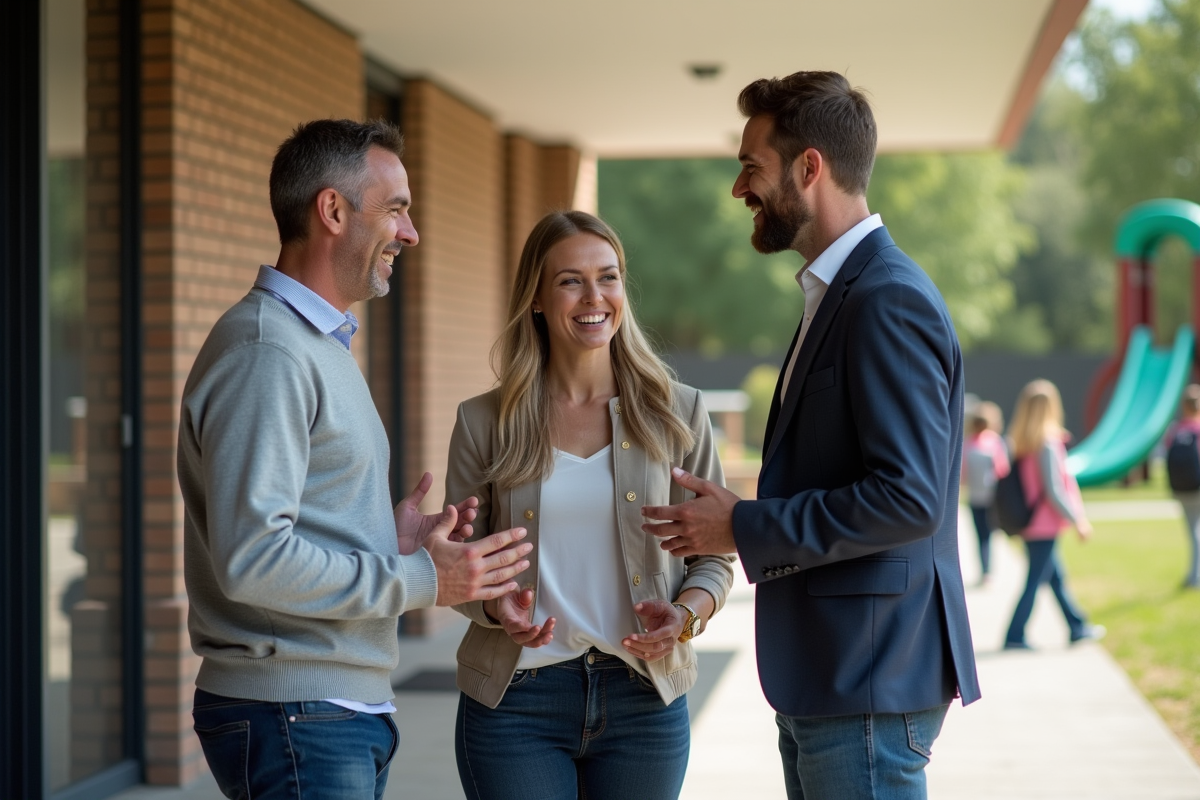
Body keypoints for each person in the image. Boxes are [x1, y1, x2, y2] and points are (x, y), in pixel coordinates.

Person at [640, 71, 980, 800]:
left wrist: (743, 526)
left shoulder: (885, 299)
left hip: (866, 683)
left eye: (751, 166)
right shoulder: (841, 292)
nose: (739, 188)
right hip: (834, 679)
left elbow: (909, 498)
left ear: (809, 167)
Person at [177, 119, 532, 800]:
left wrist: (382, 538)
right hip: (294, 709)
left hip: (323, 710)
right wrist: (421, 579)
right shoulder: (269, 352)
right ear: (333, 211)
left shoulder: (314, 344)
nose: (411, 233)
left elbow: (288, 529)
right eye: (396, 209)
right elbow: (253, 559)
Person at [446, 210, 736, 800]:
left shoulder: (678, 412)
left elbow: (714, 555)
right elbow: (459, 563)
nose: (593, 296)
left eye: (608, 277)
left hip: (644, 701)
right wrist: (498, 606)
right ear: (536, 298)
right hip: (515, 704)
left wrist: (686, 616)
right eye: (570, 281)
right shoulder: (483, 421)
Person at [1002, 379, 1103, 650]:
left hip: (1030, 522)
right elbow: (1055, 489)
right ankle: (1014, 635)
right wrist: (1078, 520)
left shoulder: (1022, 443)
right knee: (1035, 580)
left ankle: (1077, 626)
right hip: (1044, 524)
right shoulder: (1047, 443)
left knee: (1055, 578)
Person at [962, 401, 1010, 583]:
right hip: (992, 496)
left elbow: (963, 475)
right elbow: (1002, 470)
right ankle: (988, 570)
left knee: (980, 535)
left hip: (975, 497)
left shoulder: (968, 444)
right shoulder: (995, 442)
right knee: (989, 534)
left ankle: (985, 570)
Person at [1165, 383, 1200, 589]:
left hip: (1182, 489)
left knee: (1193, 532)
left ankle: (1194, 575)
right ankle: (1195, 577)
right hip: (1197, 486)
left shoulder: (1176, 430)